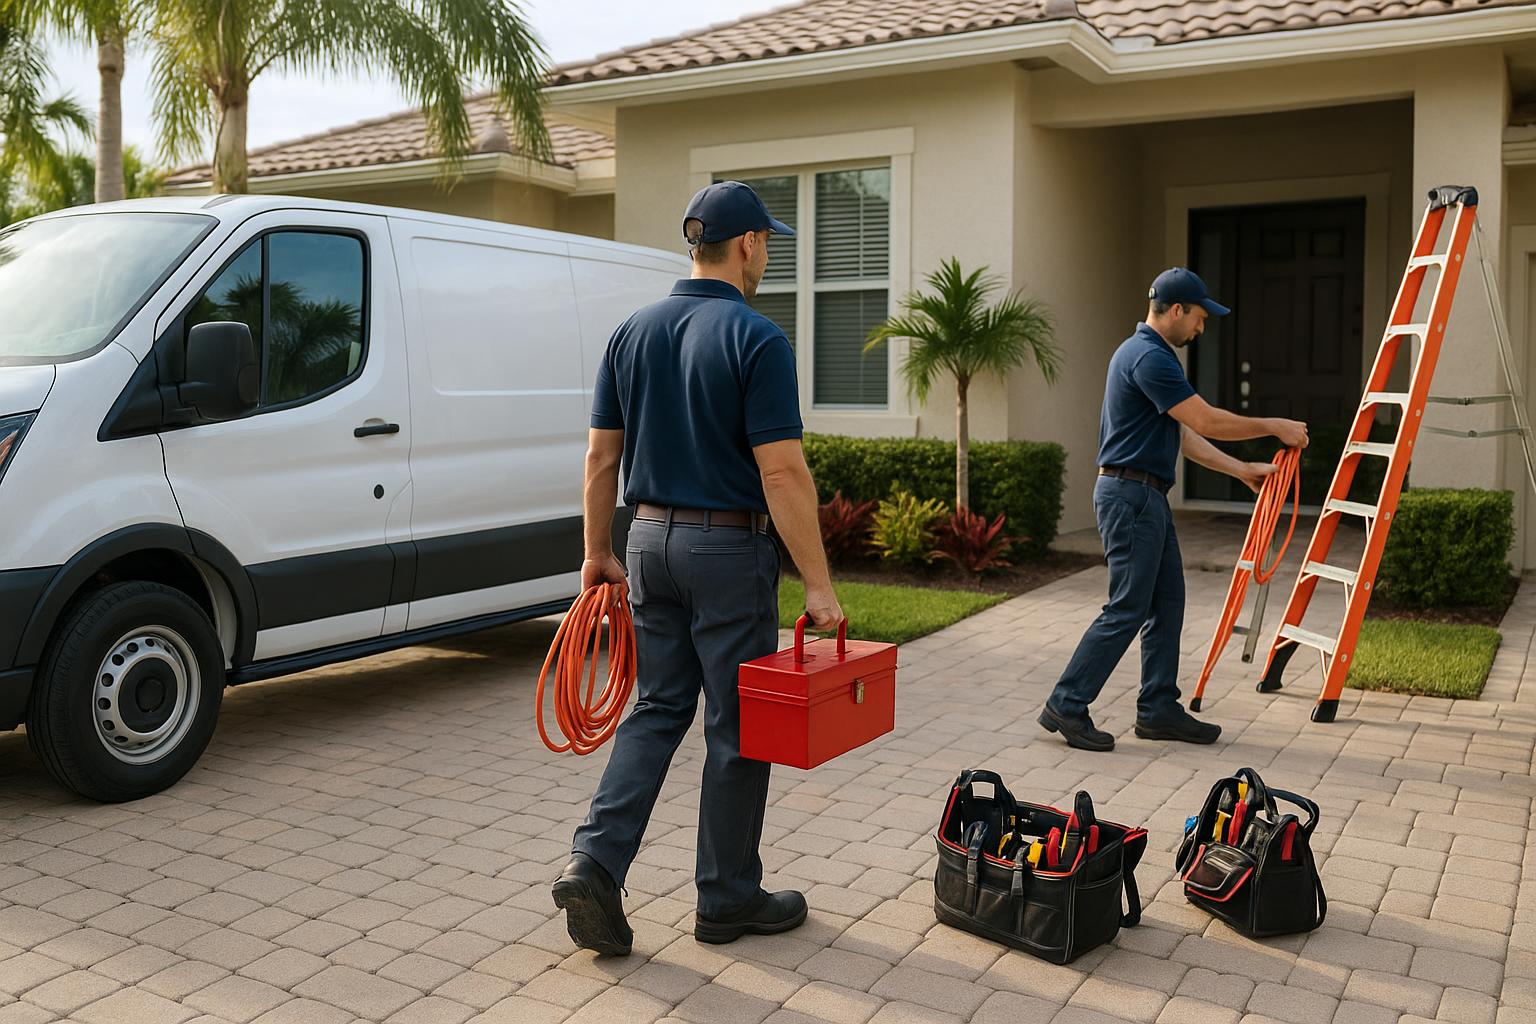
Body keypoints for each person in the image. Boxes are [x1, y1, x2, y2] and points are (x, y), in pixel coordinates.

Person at [552, 181, 844, 955]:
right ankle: (726, 898)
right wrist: (818, 586)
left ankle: (594, 862)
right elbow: (782, 472)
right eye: (767, 242)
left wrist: (596, 553)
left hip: (647, 542)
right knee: (737, 723)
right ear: (747, 244)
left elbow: (600, 458)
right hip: (726, 550)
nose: (767, 254)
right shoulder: (757, 337)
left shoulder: (631, 331)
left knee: (658, 706)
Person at [1038, 268, 1309, 752]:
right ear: (1177, 310)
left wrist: (1240, 470)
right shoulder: (1149, 356)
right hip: (1131, 497)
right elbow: (1204, 419)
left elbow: (1181, 433)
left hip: (1145, 497)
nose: (1202, 328)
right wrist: (1274, 425)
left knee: (1167, 603)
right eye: (1200, 317)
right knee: (1128, 607)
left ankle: (1158, 708)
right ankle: (1067, 703)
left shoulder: (1148, 354)